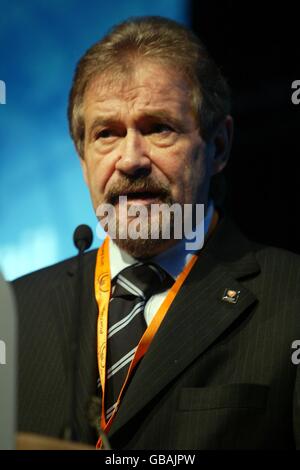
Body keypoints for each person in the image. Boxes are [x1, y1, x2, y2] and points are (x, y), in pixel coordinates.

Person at [13, 16, 300, 450]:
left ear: (218, 146)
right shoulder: (15, 313)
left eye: (158, 128)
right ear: (82, 157)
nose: (130, 160)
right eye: (106, 134)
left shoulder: (292, 296)